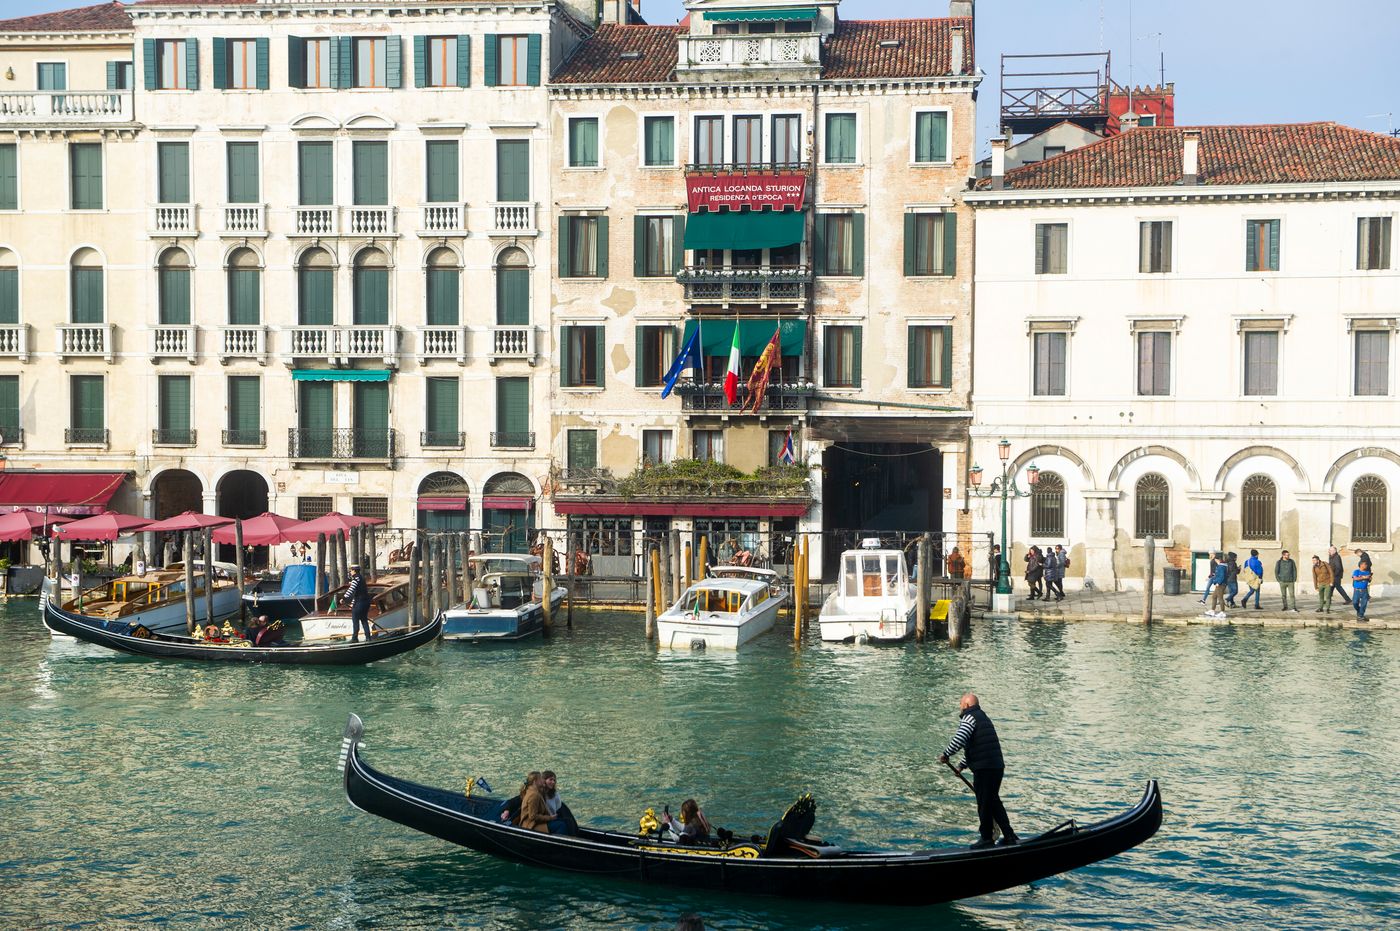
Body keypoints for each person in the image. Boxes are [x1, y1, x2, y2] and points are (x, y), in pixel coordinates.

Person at [939, 693, 1017, 849]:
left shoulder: (969, 717)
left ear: (967, 705)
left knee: (984, 803)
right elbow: (976, 746)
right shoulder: (983, 718)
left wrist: (946, 754)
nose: (960, 707)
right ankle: (1009, 835)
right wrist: (961, 766)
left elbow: (960, 738)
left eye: (961, 704)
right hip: (996, 766)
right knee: (993, 801)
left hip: (984, 768)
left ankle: (986, 838)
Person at [541, 770, 578, 835]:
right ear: (544, 780)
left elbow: (558, 809)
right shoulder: (538, 794)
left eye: (554, 780)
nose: (553, 782)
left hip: (552, 818)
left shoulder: (555, 794)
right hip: (543, 821)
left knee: (569, 822)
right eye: (550, 779)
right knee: (562, 825)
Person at [345, 563, 372, 642]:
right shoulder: (362, 579)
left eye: (351, 570)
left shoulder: (356, 579)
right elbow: (357, 593)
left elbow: (351, 590)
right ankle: (368, 638)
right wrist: (353, 602)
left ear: (354, 571)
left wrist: (344, 598)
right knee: (364, 620)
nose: (350, 572)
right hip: (366, 602)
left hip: (360, 603)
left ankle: (355, 638)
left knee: (355, 620)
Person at [1206, 553, 1228, 618]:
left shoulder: (1221, 567)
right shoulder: (1222, 566)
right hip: (1220, 584)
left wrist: (1218, 582)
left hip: (1220, 585)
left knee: (1220, 598)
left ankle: (1222, 612)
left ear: (1217, 559)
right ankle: (1212, 610)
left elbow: (1222, 576)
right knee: (1214, 596)